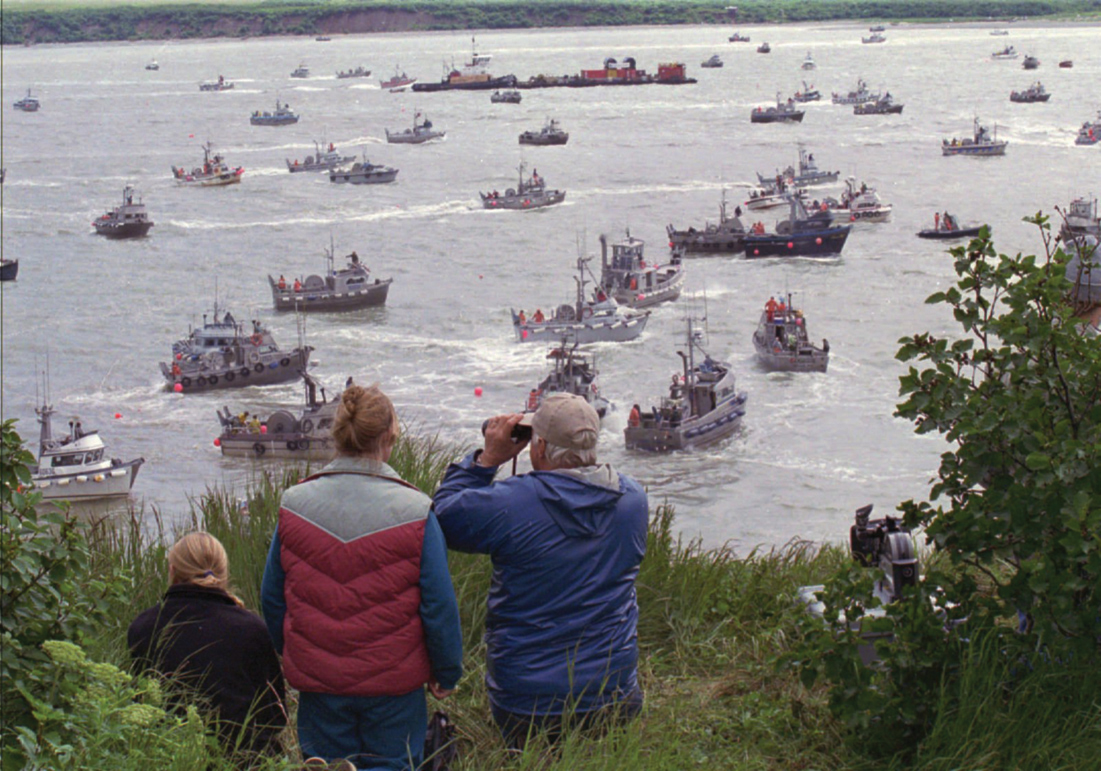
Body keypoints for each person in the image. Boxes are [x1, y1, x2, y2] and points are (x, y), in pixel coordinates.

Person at [261, 385, 462, 770]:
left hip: (321, 686)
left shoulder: (294, 505)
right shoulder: (417, 511)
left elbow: (273, 597)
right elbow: (438, 605)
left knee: (324, 763)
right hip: (394, 688)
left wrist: (296, 651)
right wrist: (446, 672)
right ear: (389, 437)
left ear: (338, 435)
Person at [432, 394, 647, 748]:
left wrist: (488, 460)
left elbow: (442, 517)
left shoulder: (513, 503)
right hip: (615, 696)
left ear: (540, 446)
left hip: (528, 705)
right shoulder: (633, 500)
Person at [128, 532, 286, 759]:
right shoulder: (251, 629)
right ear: (223, 574)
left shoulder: (142, 629)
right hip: (245, 760)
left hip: (168, 757)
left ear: (172, 572)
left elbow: (140, 707)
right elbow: (275, 715)